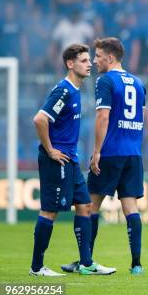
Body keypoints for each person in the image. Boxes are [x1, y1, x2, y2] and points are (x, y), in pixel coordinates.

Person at [61, 38, 146, 275]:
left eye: (97, 56)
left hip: (110, 153)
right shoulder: (139, 83)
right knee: (131, 207)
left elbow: (103, 117)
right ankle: (136, 264)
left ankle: (85, 261)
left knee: (88, 206)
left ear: (110, 57)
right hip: (133, 153)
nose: (95, 61)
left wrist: (96, 151)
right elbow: (142, 117)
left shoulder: (106, 81)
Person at [30, 44, 115, 276]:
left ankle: (86, 263)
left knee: (85, 206)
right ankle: (36, 267)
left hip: (71, 160)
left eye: (90, 60)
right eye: (84, 60)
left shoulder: (76, 91)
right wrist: (50, 150)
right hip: (57, 160)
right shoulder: (64, 91)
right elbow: (40, 119)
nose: (90, 64)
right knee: (49, 211)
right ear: (70, 63)